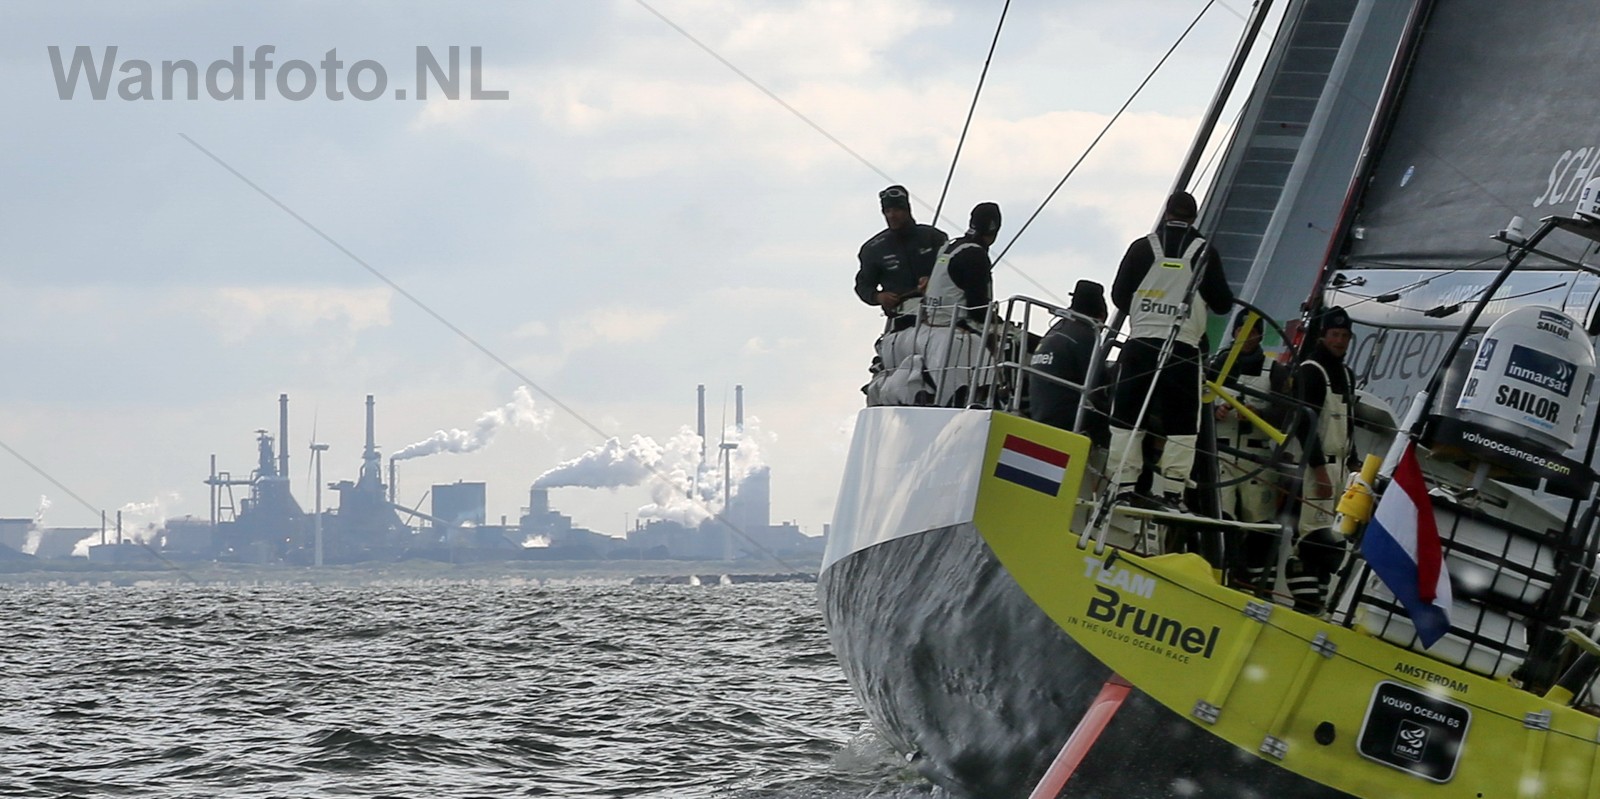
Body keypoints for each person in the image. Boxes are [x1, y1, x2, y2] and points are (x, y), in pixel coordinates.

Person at [1106, 191, 1233, 508]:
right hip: (1183, 349)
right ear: (1194, 217)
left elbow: (1119, 296)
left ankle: (1122, 486)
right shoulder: (1204, 252)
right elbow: (1222, 303)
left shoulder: (1141, 248)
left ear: (1166, 213)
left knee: (1127, 418)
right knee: (1182, 424)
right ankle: (1172, 492)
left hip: (1140, 344)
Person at [1209, 311, 1288, 591]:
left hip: (1257, 458)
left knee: (1260, 524)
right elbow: (1197, 401)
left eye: (1252, 331)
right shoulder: (1217, 365)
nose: (1246, 336)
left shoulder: (1275, 371)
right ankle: (1227, 571)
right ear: (1234, 332)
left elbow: (1285, 413)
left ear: (1260, 335)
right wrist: (1213, 411)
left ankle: (1257, 584)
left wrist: (1259, 413)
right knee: (1222, 515)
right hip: (1221, 453)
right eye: (1241, 330)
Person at [1287, 306, 1357, 615]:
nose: (1340, 341)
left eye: (1345, 336)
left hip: (1341, 467)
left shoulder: (1347, 375)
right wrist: (1318, 469)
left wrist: (1354, 464)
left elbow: (1350, 424)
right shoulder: (1311, 370)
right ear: (1323, 336)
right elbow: (1304, 424)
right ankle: (1305, 606)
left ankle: (1318, 608)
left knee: (1333, 543)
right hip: (1317, 466)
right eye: (1335, 335)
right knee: (1311, 539)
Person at [854, 185, 948, 331]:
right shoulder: (873, 249)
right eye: (887, 211)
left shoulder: (934, 237)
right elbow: (863, 285)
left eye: (897, 210)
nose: (892, 215)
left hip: (941, 314)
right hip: (901, 320)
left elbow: (950, 267)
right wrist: (878, 297)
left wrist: (933, 279)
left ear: (907, 210)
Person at [1028, 280, 1110, 444]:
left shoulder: (1056, 329)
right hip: (1067, 419)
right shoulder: (1086, 334)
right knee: (1123, 423)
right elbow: (1098, 383)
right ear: (1101, 315)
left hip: (1040, 413)